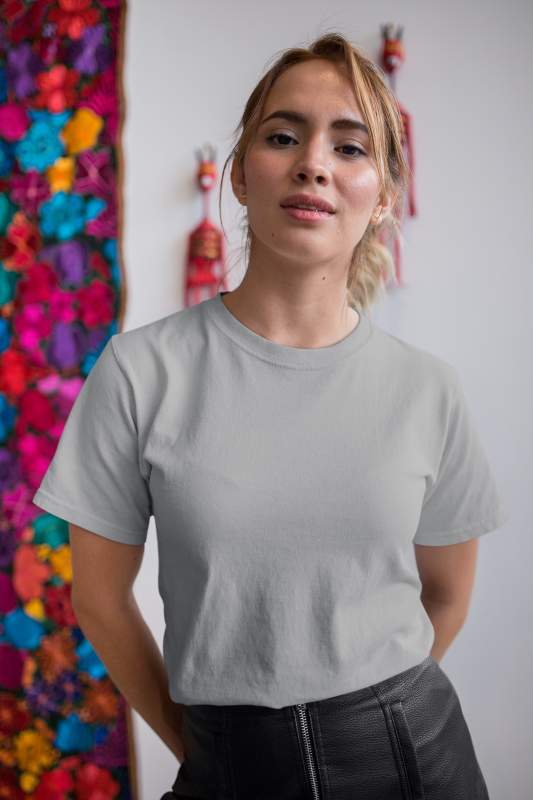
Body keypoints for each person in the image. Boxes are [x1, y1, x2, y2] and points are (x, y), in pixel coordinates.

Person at [32, 32, 508, 800]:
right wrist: (207, 752)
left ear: (384, 196)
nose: (313, 162)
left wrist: (371, 723)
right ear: (239, 174)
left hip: (415, 759)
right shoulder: (139, 371)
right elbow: (99, 599)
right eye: (283, 137)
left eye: (348, 147)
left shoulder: (428, 389)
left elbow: (446, 597)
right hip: (226, 763)